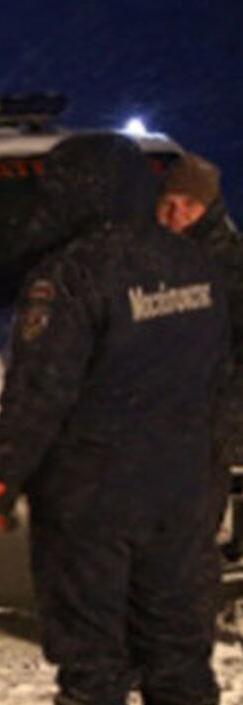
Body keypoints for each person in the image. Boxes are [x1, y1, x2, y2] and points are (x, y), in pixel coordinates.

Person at [0, 133, 230, 705]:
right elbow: (214, 378)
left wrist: (6, 473)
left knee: (92, 644)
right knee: (176, 632)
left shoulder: (68, 276)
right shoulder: (194, 263)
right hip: (181, 485)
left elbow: (39, 393)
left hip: (92, 491)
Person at [157, 153, 243, 547]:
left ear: (207, 209)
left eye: (188, 206)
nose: (176, 215)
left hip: (202, 425)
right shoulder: (140, 255)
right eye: (168, 204)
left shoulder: (226, 267)